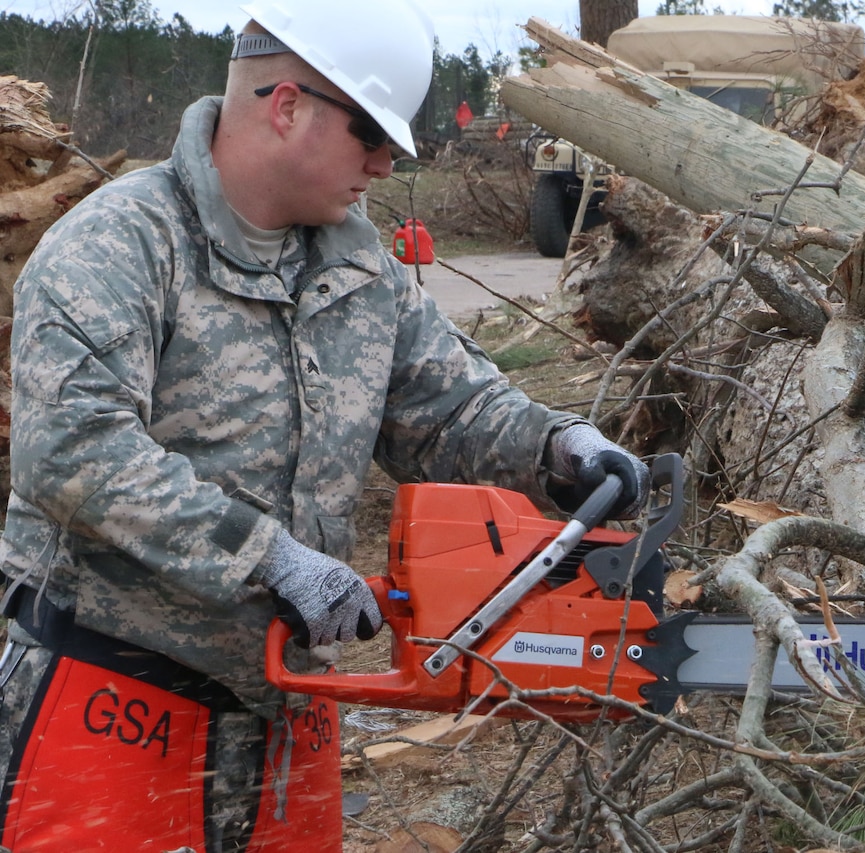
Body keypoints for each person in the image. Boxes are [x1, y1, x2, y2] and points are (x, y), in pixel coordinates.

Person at [0, 1, 650, 850]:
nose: (383, 166)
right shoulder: (121, 243)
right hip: (115, 694)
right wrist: (266, 555)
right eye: (371, 137)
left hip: (287, 708)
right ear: (288, 104)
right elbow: (72, 450)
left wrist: (559, 446)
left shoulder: (355, 259)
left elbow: (446, 408)